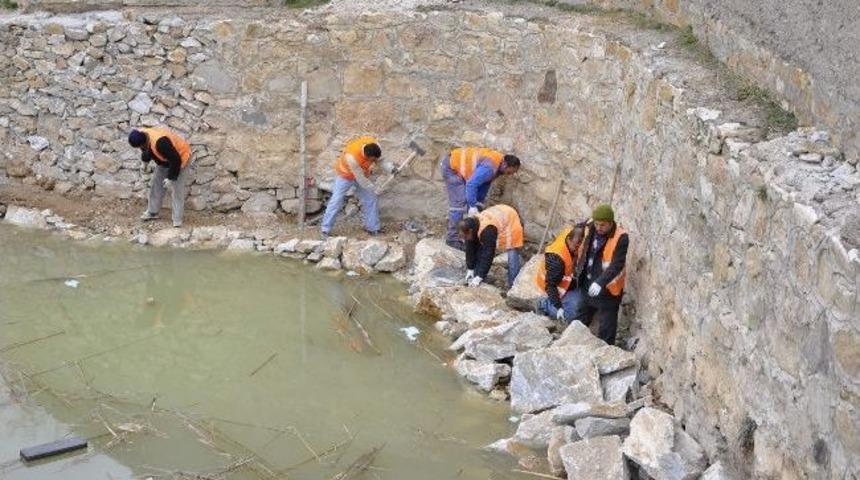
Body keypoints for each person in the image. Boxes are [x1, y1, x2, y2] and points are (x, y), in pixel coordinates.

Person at [568, 204, 629, 345]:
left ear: (610, 223)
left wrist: (600, 282)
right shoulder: (590, 226)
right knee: (580, 319)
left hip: (609, 289)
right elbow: (578, 230)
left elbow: (617, 265)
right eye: (597, 224)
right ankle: (570, 345)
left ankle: (606, 354)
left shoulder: (621, 237)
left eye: (603, 225)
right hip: (588, 283)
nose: (599, 228)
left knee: (607, 328)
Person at [440, 147, 520, 250]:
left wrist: (478, 205)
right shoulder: (490, 167)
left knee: (471, 203)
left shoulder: (497, 169)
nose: (510, 175)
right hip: (451, 168)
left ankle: (468, 238)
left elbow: (483, 186)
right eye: (510, 172)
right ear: (505, 165)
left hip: (458, 168)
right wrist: (473, 206)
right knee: (459, 204)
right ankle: (452, 239)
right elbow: (471, 184)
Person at [320, 136, 396, 238]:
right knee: (336, 200)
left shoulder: (375, 146)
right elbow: (361, 179)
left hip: (362, 174)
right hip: (345, 175)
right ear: (367, 156)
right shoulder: (352, 157)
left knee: (371, 199)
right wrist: (374, 188)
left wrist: (391, 168)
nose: (373, 162)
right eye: (372, 160)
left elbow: (380, 161)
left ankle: (373, 228)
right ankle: (325, 229)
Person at [128, 127, 192, 228]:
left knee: (177, 189)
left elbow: (176, 160)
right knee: (156, 184)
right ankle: (153, 212)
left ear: (143, 142)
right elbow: (146, 151)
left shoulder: (161, 143)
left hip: (181, 156)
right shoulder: (141, 135)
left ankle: (177, 220)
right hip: (164, 160)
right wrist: (144, 164)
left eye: (140, 146)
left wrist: (171, 178)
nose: (140, 148)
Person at [459, 204, 524, 289]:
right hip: (500, 214)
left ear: (470, 231)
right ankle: (479, 275)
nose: (464, 239)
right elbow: (470, 249)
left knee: (512, 252)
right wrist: (470, 268)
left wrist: (480, 276)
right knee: (477, 247)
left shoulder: (487, 231)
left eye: (465, 237)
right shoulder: (471, 226)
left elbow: (488, 254)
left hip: (510, 219)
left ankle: (513, 285)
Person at [535, 224, 586, 323]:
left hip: (564, 283)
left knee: (584, 302)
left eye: (580, 245)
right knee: (570, 315)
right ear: (569, 239)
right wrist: (558, 307)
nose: (577, 249)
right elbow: (550, 285)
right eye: (576, 246)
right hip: (551, 287)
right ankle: (544, 305)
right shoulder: (557, 260)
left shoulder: (571, 233)